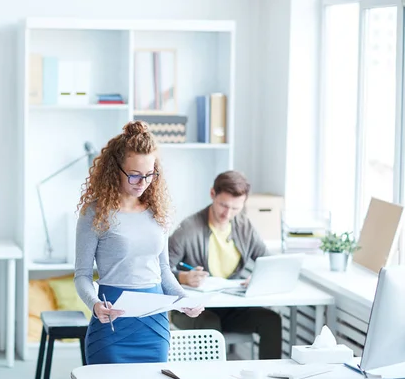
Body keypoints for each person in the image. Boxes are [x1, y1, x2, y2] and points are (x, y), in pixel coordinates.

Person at [74, 121, 204, 365]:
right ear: (115, 170)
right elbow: (81, 275)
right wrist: (94, 305)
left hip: (154, 326)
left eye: (149, 174)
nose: (142, 182)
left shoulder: (157, 211)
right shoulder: (95, 212)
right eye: (134, 175)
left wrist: (184, 300)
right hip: (112, 321)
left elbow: (163, 270)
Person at [168, 170, 282, 359]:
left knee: (271, 321)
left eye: (236, 208)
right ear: (213, 194)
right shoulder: (188, 229)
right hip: (192, 310)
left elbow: (268, 262)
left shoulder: (244, 227)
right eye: (223, 205)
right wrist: (183, 277)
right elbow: (160, 271)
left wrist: (259, 276)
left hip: (231, 307)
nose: (228, 214)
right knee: (210, 324)